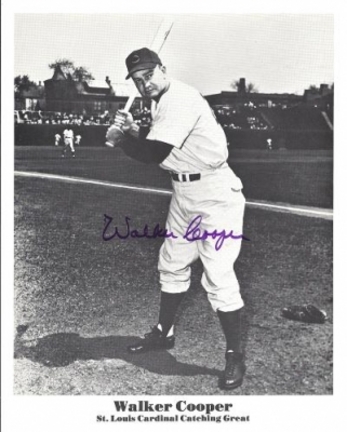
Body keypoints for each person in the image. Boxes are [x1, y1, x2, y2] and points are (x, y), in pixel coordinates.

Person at [106, 48, 247, 390]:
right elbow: (162, 145)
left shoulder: (180, 98)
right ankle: (164, 332)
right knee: (171, 263)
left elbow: (155, 154)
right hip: (184, 193)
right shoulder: (160, 100)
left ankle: (234, 355)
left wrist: (121, 140)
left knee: (217, 276)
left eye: (148, 76)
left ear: (163, 69)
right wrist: (135, 131)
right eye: (138, 81)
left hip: (215, 195)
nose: (144, 84)